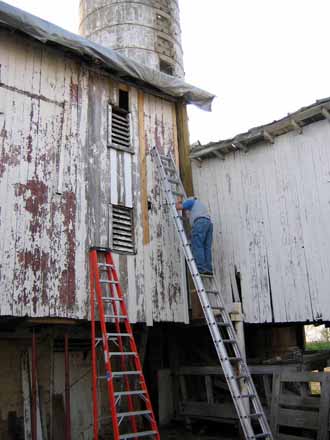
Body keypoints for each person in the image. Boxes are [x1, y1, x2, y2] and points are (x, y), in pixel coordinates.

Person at [176, 196, 213, 275]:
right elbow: (187, 218)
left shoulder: (191, 202)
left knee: (197, 246)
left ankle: (201, 268)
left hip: (200, 223)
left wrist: (179, 201)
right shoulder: (199, 206)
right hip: (208, 224)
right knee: (206, 247)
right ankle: (208, 268)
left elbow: (178, 207)